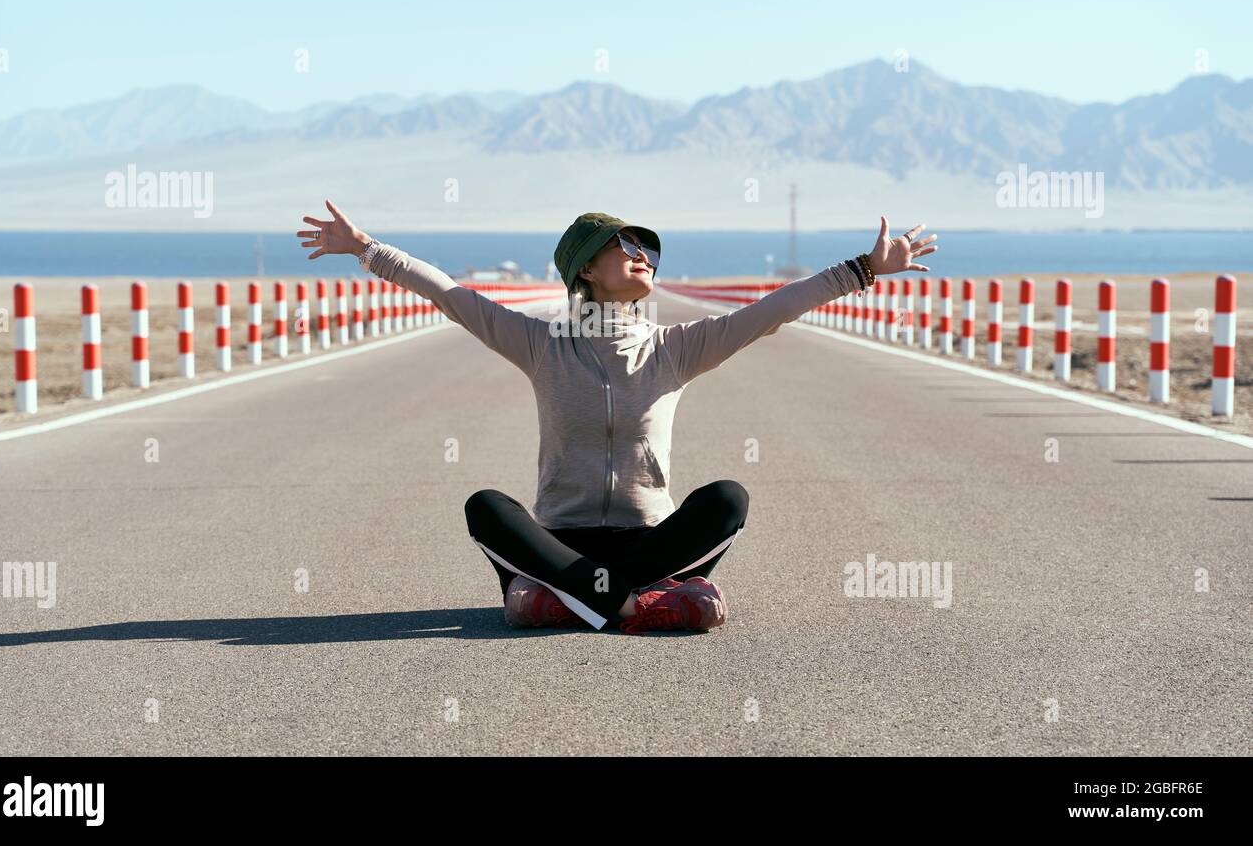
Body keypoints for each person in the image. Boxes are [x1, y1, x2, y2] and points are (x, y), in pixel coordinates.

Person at [296, 202, 937, 634]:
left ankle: (568, 601)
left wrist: (863, 271)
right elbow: (449, 295)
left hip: (648, 543)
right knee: (486, 506)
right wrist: (365, 249)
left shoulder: (675, 348)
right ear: (586, 269)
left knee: (727, 498)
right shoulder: (542, 345)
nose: (641, 255)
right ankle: (638, 606)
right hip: (561, 540)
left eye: (646, 249)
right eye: (623, 246)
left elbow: (773, 309)